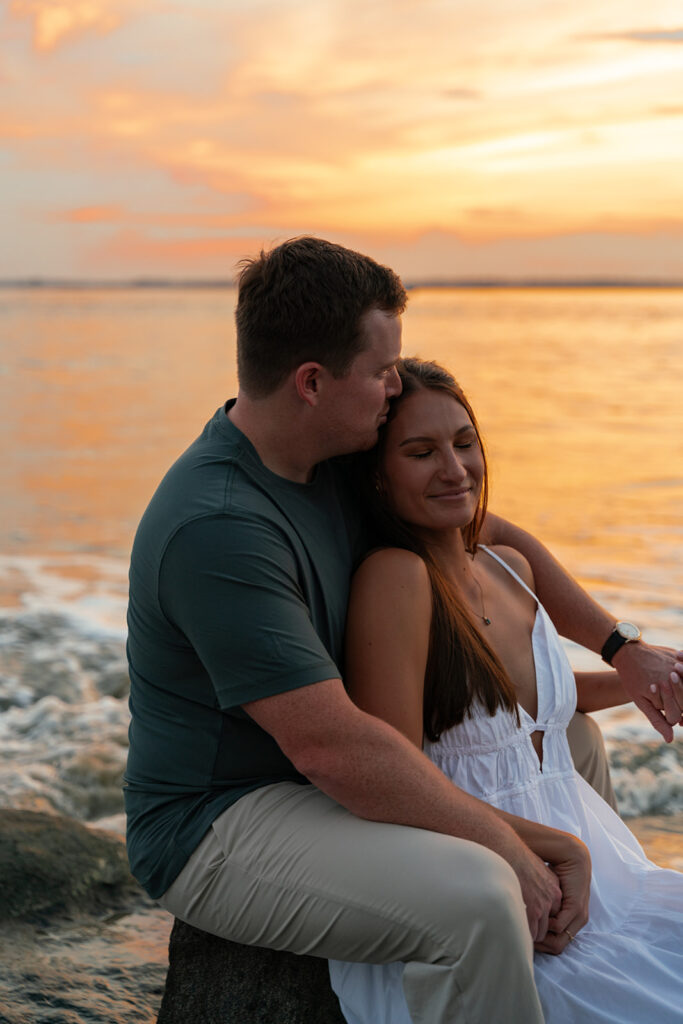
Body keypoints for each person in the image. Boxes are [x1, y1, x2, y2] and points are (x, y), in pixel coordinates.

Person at [124, 237, 682, 1024]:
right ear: (312, 382)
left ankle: (582, 942)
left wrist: (619, 650)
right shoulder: (220, 527)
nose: (394, 387)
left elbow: (483, 531)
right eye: (381, 371)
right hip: (224, 817)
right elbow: (334, 749)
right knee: (481, 896)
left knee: (571, 740)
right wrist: (511, 846)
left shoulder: (322, 462)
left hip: (310, 777)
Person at [328, 357, 683, 1023]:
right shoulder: (394, 579)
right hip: (496, 893)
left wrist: (641, 680)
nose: (455, 469)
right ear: (377, 476)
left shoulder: (506, 567)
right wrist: (550, 851)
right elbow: (396, 783)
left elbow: (518, 709)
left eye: (464, 443)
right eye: (420, 452)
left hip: (599, 877)